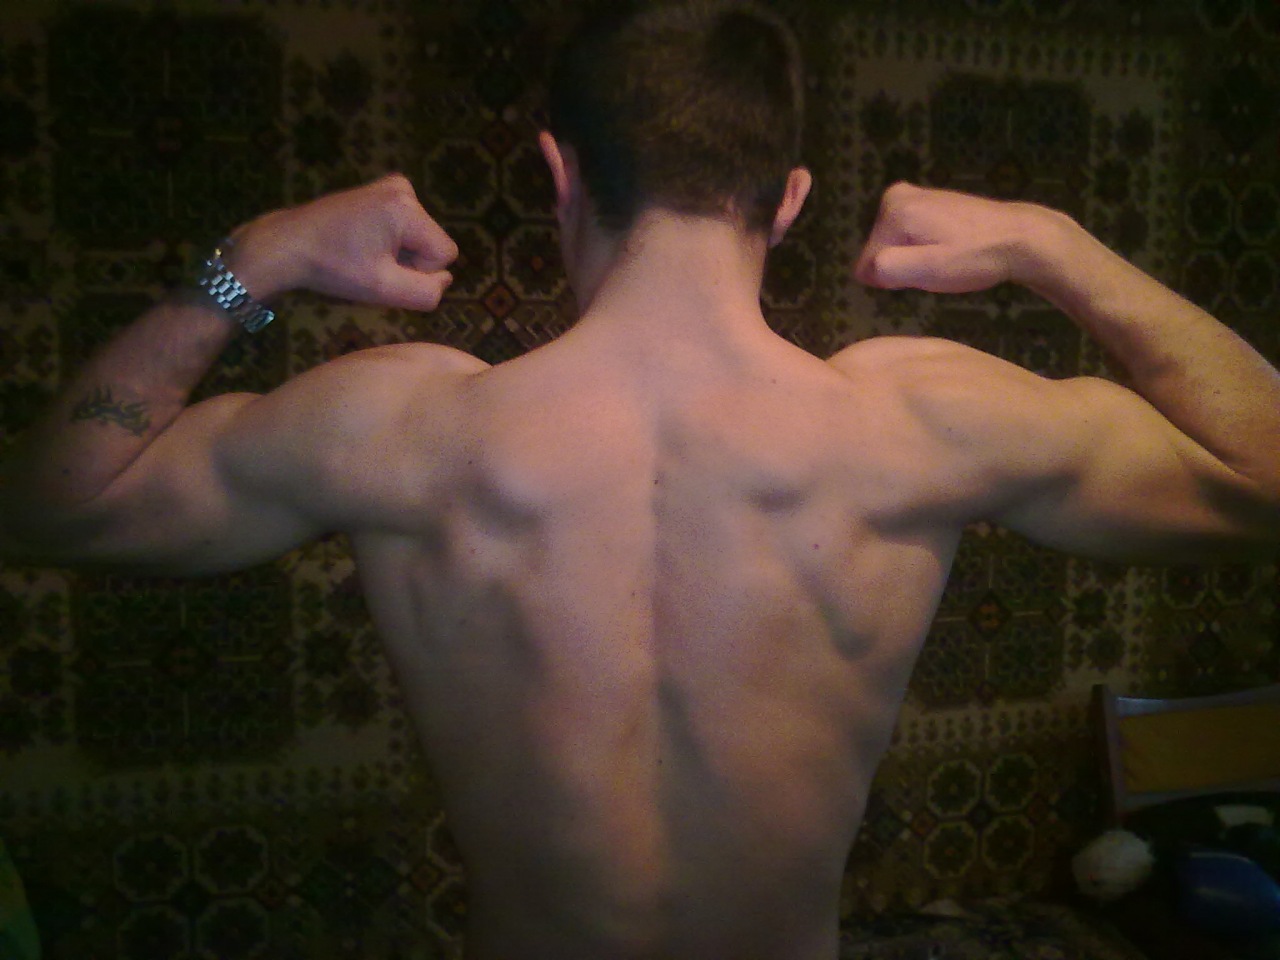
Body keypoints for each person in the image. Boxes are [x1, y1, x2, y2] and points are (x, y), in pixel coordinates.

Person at [3, 2, 1279, 957]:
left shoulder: (401, 423)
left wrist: (254, 258)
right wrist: (1050, 246)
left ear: (558, 174)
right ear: (787, 200)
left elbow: (52, 506)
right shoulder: (916, 420)